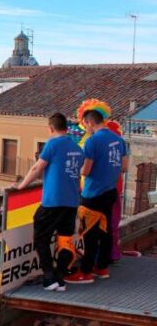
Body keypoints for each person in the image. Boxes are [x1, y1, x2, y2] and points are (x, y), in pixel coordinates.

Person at [13, 113, 83, 291]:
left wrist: (21, 185)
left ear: (50, 128)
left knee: (40, 238)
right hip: (72, 201)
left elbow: (38, 167)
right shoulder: (77, 147)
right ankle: (60, 277)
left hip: (53, 201)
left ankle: (49, 277)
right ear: (66, 128)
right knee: (65, 239)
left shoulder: (52, 144)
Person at [65, 109, 128, 284]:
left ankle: (85, 272)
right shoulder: (119, 140)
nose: (85, 128)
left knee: (89, 234)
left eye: (85, 125)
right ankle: (102, 267)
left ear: (90, 122)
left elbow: (86, 170)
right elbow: (124, 167)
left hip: (93, 193)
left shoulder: (92, 142)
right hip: (110, 191)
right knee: (105, 231)